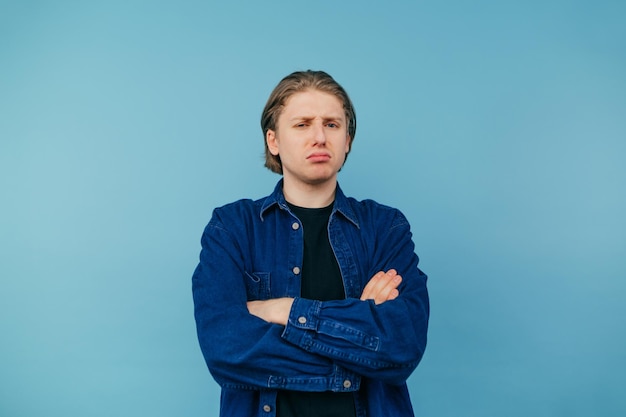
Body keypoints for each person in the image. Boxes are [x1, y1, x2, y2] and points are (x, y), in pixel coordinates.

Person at [192, 70, 429, 417]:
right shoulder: (232, 228)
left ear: (347, 139)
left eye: (332, 124)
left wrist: (284, 310)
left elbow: (401, 346)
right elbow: (225, 347)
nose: (319, 137)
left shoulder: (385, 228)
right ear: (273, 141)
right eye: (302, 124)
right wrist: (357, 347)